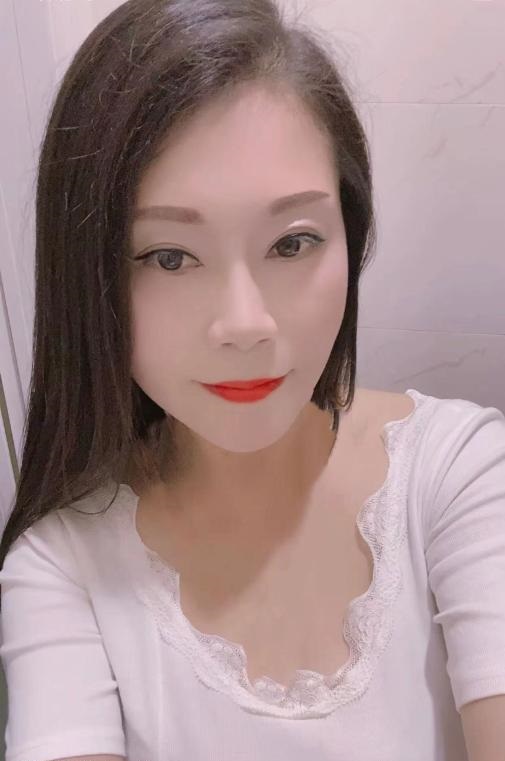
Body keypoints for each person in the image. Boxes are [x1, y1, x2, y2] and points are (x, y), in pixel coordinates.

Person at [0, 1, 504, 760]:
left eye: (292, 243)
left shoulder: (458, 473)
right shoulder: (61, 567)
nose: (245, 324)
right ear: (89, 278)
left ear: (350, 234)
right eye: (169, 256)